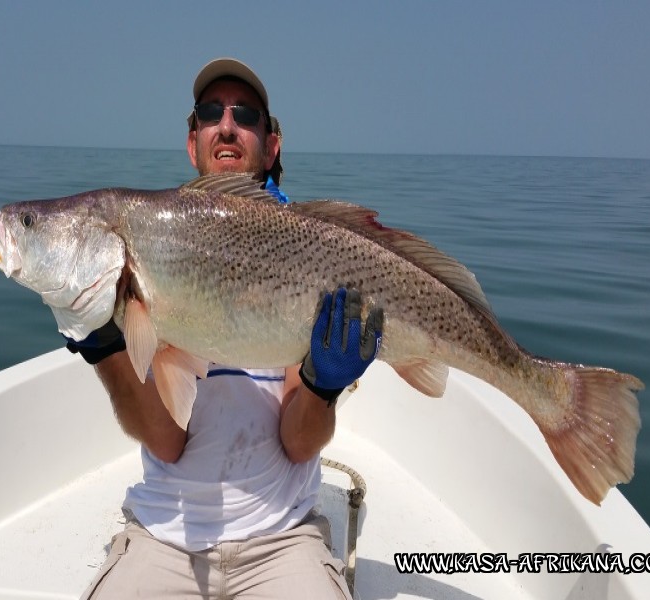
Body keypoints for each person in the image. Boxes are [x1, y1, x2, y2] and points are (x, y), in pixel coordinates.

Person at [69, 58, 383, 599]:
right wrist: (104, 347)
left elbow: (298, 441)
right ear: (193, 143)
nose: (228, 124)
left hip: (283, 540)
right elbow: (167, 444)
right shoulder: (154, 247)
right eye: (211, 112)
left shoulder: (308, 254)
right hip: (166, 533)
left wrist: (322, 385)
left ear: (272, 143)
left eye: (247, 114)